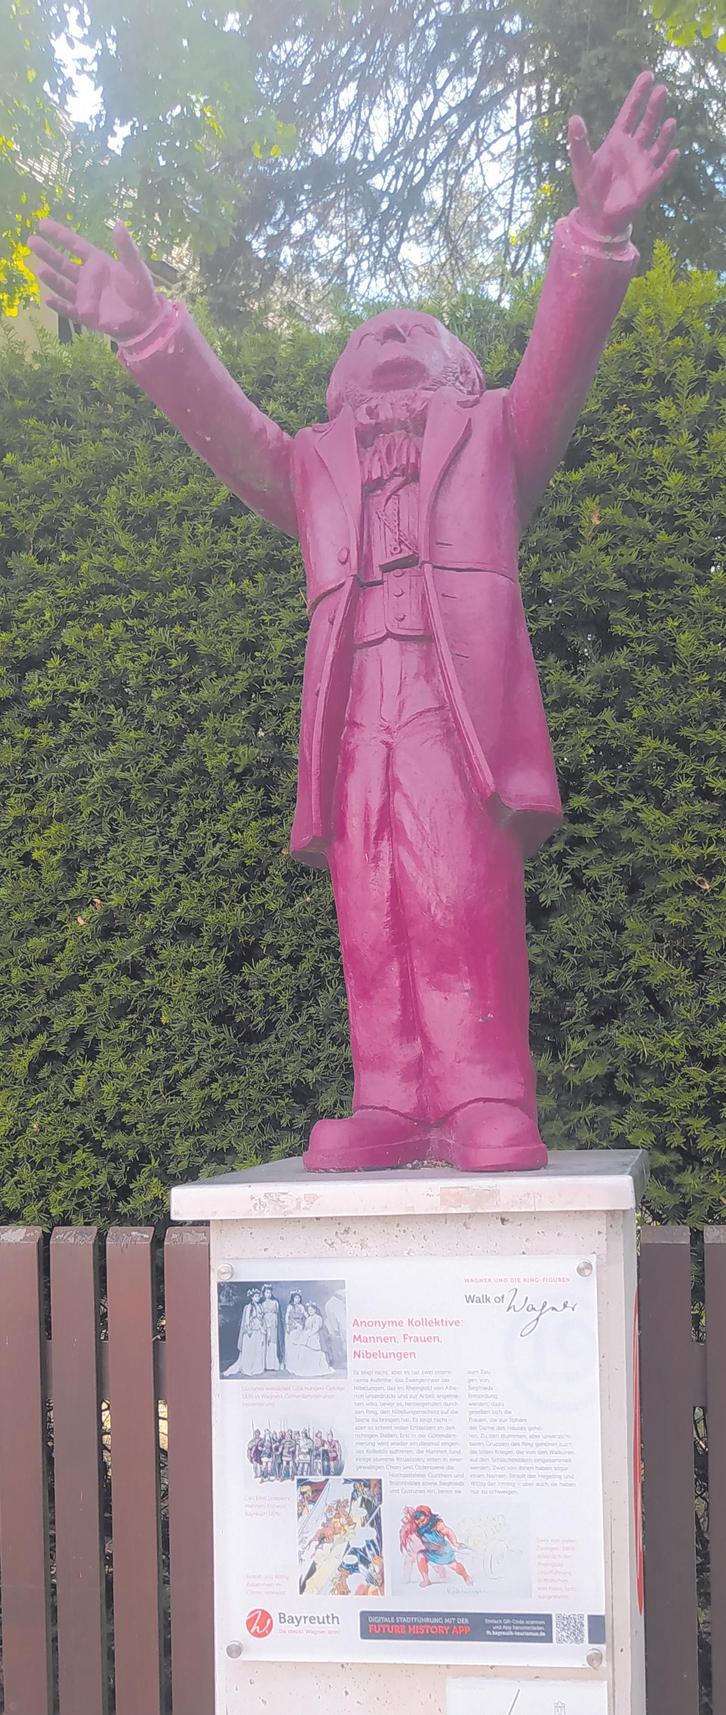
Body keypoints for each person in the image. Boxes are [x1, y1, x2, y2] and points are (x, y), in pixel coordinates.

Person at [31, 76, 679, 1174]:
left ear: (457, 371)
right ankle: (391, 1093)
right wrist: (149, 326)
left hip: (451, 701)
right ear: (337, 383)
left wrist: (593, 231)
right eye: (371, 332)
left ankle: (482, 1092)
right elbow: (236, 434)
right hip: (350, 711)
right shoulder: (314, 464)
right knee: (372, 891)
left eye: (412, 332)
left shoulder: (495, 439)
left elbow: (557, 369)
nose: (388, 337)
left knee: (461, 885)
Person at [401, 1504, 473, 1588]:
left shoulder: (438, 1525)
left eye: (422, 1521)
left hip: (443, 1551)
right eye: (418, 1523)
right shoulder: (419, 1527)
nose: (420, 1524)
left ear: (428, 1516)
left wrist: (455, 1543)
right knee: (420, 1556)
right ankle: (426, 1580)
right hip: (430, 1552)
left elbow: (448, 1532)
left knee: (453, 1565)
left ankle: (466, 1577)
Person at [224, 1286, 265, 1377]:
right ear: (252, 1297)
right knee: (250, 1349)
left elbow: (261, 1319)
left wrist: (262, 1328)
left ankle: (256, 1367)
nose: (257, 1298)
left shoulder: (260, 1306)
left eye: (258, 1296)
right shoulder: (248, 1307)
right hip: (251, 1331)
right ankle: (248, 1367)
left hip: (258, 1330)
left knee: (257, 1349)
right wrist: (248, 1329)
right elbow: (246, 1320)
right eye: (255, 1296)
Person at [261, 1284, 282, 1372]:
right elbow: (261, 1314)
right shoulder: (262, 1303)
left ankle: (274, 1364)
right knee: (266, 1342)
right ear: (264, 1293)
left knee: (273, 1342)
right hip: (265, 1322)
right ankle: (266, 1364)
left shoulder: (275, 1302)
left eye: (270, 1292)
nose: (268, 1294)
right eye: (267, 1292)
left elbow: (277, 1313)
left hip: (273, 1323)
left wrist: (274, 1320)